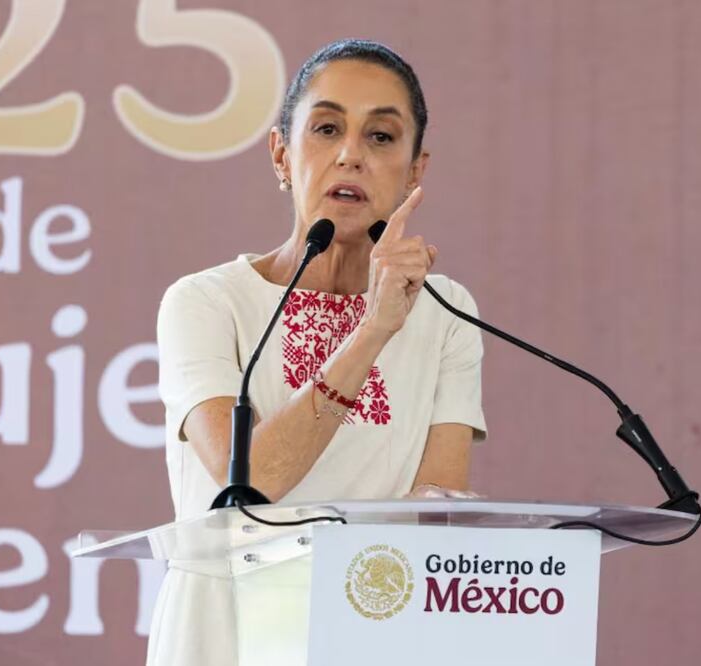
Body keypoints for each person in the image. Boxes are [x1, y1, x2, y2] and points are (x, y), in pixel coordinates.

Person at [148, 39, 487, 666]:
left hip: (373, 632)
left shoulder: (446, 310)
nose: (351, 155)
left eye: (381, 137)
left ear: (415, 170)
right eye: (327, 129)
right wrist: (373, 331)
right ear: (281, 153)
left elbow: (438, 514)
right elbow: (250, 483)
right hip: (226, 635)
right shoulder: (205, 302)